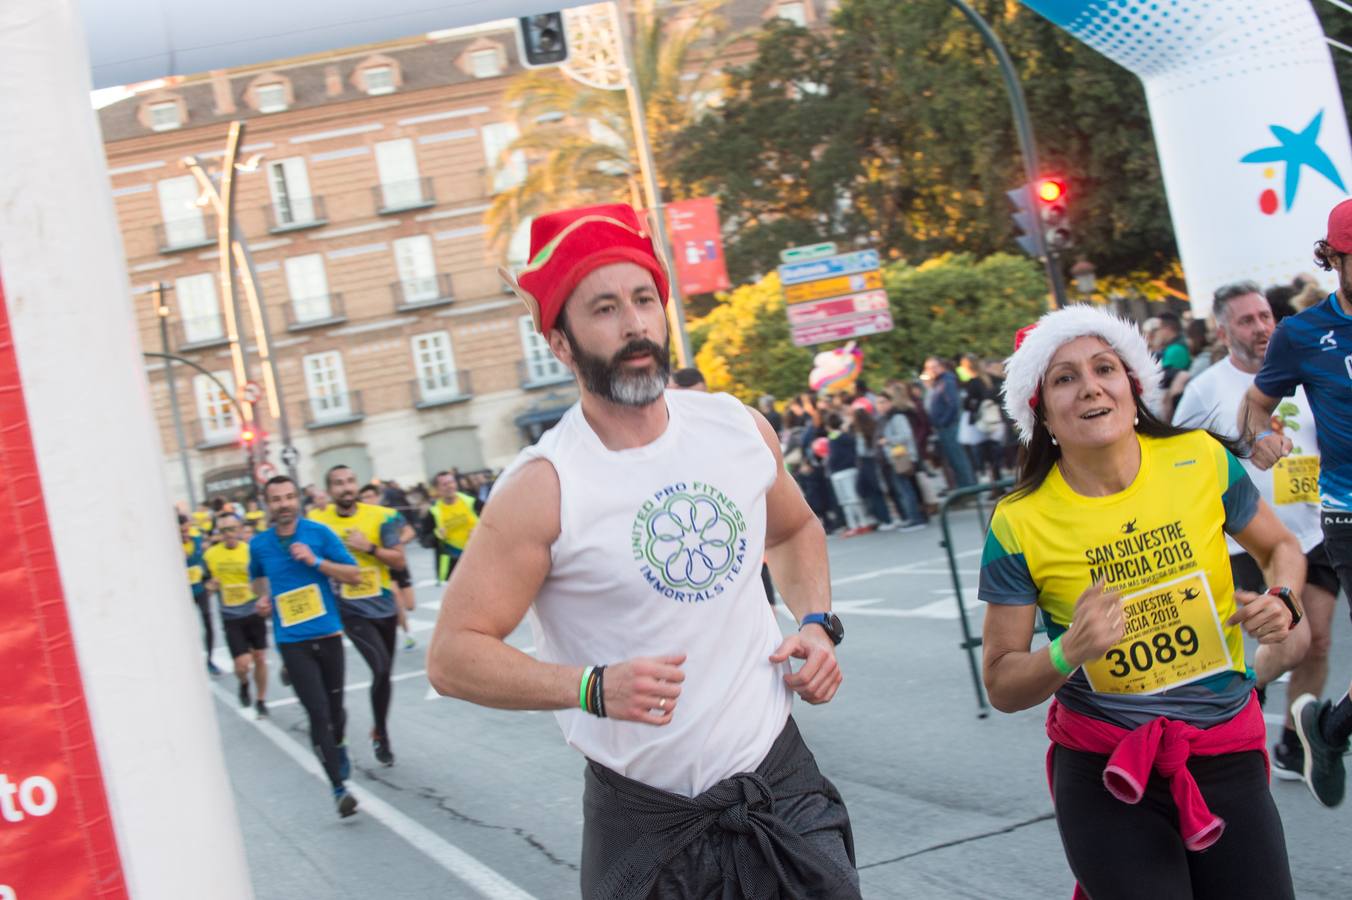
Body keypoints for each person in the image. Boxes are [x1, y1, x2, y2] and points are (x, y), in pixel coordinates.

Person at [430, 202, 857, 898]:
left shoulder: (735, 428)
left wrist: (815, 623)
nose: (632, 324)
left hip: (782, 794)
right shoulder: (545, 485)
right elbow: (452, 655)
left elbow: (793, 530)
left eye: (643, 300)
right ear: (561, 344)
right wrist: (590, 687)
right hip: (648, 827)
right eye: (602, 308)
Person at [980, 305, 1302, 899]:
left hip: (1223, 749)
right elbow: (1000, 683)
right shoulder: (1018, 522)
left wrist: (1283, 599)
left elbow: (1282, 546)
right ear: (1041, 411)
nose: (1090, 387)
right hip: (1108, 770)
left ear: (1133, 388)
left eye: (1104, 368)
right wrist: (1067, 650)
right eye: (1064, 378)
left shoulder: (1199, 460)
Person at [1174, 282, 1329, 777]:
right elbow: (1175, 458)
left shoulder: (1299, 373)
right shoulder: (1206, 390)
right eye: (1246, 320)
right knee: (1294, 641)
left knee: (1319, 644)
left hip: (1314, 527)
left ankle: (1293, 747)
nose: (1262, 327)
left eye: (1265, 316)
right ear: (1223, 331)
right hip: (1250, 540)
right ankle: (1247, 691)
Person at [1242, 198, 1352, 808]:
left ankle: (1327, 731)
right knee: (1312, 638)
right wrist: (1262, 439)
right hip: (1345, 510)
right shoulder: (1304, 334)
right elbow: (1258, 403)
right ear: (1333, 258)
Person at [250, 475, 364, 817]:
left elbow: (353, 573)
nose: (283, 504)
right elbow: (256, 580)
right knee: (317, 713)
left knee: (335, 710)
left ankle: (339, 744)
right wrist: (262, 600)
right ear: (267, 504)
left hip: (327, 633)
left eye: (288, 497)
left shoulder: (319, 534)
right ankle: (338, 788)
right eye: (276, 499)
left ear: (296, 500)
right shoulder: (259, 545)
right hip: (291, 640)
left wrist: (316, 562)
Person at [309, 465, 408, 766]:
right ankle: (382, 738)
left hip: (383, 606)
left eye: (350, 481)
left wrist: (370, 548)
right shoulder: (317, 520)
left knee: (384, 675)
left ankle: (380, 730)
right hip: (348, 608)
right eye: (338, 483)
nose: (346, 488)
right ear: (329, 490)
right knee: (378, 668)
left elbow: (400, 561)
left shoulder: (380, 516)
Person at [204, 514, 270, 718]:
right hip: (231, 616)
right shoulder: (210, 555)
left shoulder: (250, 551)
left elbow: (263, 579)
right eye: (224, 530)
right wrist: (210, 587)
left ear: (240, 529)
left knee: (259, 657)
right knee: (242, 664)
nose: (229, 534)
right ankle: (243, 682)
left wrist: (265, 598)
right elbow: (205, 585)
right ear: (219, 533)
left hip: (253, 611)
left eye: (232, 529)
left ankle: (260, 700)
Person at [922, 356, 975, 488]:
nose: (932, 370)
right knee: (954, 460)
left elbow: (953, 405)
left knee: (958, 459)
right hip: (945, 426)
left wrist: (943, 421)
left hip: (949, 426)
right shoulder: (939, 382)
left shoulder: (947, 381)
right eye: (929, 368)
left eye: (934, 367)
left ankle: (969, 489)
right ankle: (966, 487)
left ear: (941, 367)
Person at [419, 470, 480, 583]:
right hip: (455, 565)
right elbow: (424, 542)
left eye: (451, 482)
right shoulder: (433, 512)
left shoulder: (472, 501)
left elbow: (492, 522)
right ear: (437, 489)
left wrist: (480, 531)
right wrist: (436, 535)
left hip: (479, 557)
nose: (450, 486)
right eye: (445, 484)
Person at [877, 392, 926, 530]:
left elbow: (905, 436)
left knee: (906, 489)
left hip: (902, 457)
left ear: (889, 402)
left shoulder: (897, 417)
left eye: (882, 402)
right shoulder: (884, 419)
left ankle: (916, 518)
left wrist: (888, 440)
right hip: (895, 458)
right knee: (904, 488)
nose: (879, 406)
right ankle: (913, 516)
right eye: (878, 403)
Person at [181, 514, 220, 675]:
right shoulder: (173, 545)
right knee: (187, 627)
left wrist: (209, 580)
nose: (186, 534)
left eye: (187, 529)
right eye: (182, 531)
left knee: (208, 622)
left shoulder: (196, 539)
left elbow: (205, 561)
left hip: (200, 588)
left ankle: (209, 659)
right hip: (183, 593)